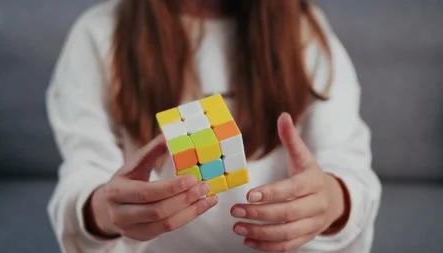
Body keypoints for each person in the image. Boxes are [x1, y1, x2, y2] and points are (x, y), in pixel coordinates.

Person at [46, 0, 381, 252]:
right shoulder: (98, 33)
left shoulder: (304, 30)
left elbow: (349, 165)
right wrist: (102, 212)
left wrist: (333, 202)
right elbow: (83, 173)